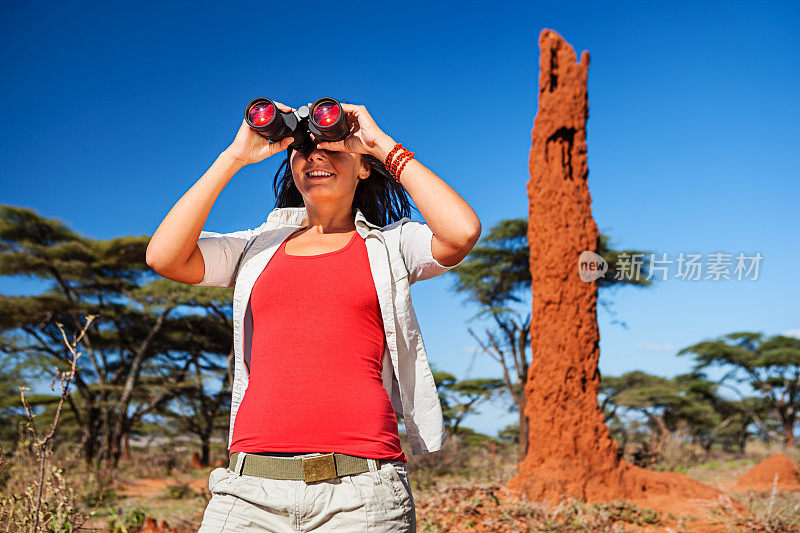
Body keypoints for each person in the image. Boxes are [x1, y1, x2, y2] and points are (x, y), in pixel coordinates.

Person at [145, 99, 481, 531]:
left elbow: (462, 231)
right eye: (303, 146)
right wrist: (235, 156)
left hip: (363, 493)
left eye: (334, 145)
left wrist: (379, 144)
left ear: (363, 166)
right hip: (250, 490)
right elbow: (164, 256)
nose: (315, 155)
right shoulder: (255, 249)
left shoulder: (390, 246)